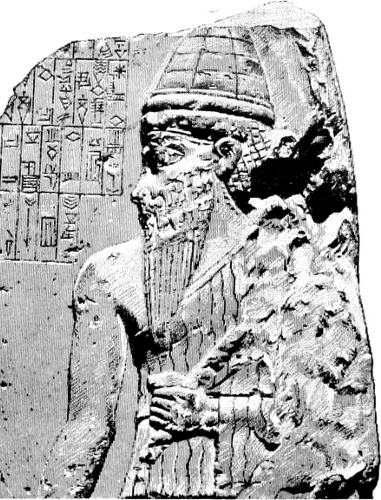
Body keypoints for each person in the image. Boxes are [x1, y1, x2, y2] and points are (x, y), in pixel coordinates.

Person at [39, 26, 378, 499]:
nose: (142, 187)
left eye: (164, 159)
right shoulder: (111, 275)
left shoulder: (293, 264)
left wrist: (208, 411)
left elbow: (335, 426)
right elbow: (86, 430)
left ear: (224, 156)